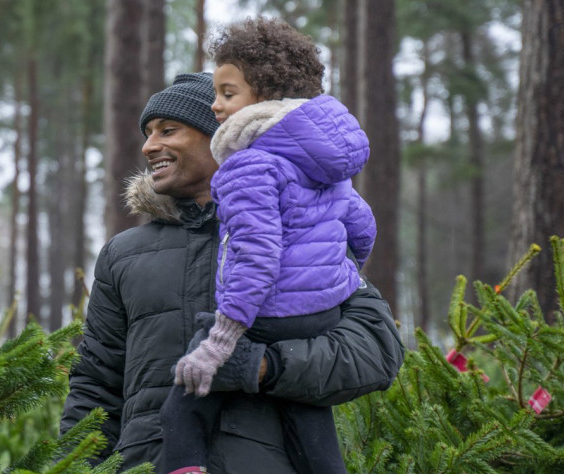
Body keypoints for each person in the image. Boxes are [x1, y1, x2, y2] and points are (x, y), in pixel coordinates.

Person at [60, 72, 404, 473]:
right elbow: (94, 386)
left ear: (221, 135)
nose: (149, 145)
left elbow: (377, 350)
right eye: (149, 133)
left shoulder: (307, 233)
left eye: (168, 130)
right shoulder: (124, 254)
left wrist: (266, 366)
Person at [162, 18, 375, 474]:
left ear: (264, 92)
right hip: (323, 312)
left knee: (186, 398)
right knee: (308, 415)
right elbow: (361, 226)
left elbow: (255, 256)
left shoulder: (247, 165)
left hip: (270, 314)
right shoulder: (318, 159)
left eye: (227, 93)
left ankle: (184, 467)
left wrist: (222, 339)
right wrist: (338, 276)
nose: (215, 105)